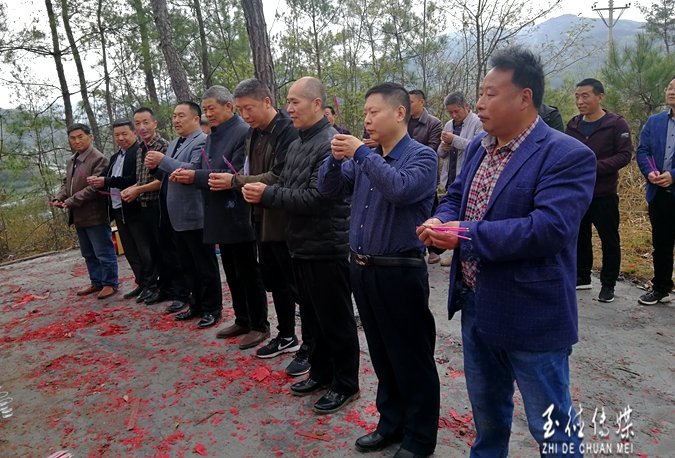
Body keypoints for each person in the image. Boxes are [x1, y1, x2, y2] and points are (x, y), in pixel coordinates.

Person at [418, 46, 596, 457]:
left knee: (550, 425)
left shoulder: (566, 155)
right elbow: (456, 196)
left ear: (524, 97)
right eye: (480, 93)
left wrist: (464, 235)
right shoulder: (479, 147)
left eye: (490, 94)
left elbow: (548, 229)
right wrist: (441, 219)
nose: (480, 103)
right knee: (488, 416)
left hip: (531, 314)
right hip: (477, 305)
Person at [319, 82, 440, 458]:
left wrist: (360, 152)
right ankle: (391, 423)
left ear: (400, 113)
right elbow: (328, 189)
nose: (367, 119)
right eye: (365, 113)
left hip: (399, 271)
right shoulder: (367, 156)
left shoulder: (422, 156)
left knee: (411, 355)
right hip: (362, 268)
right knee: (382, 353)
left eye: (374, 112)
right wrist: (335, 158)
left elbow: (399, 190)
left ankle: (420, 437)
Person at [242, 76, 360, 414]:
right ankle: (321, 373)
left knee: (336, 320)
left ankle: (346, 384)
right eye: (288, 102)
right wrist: (264, 190)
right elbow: (286, 183)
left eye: (295, 102)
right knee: (312, 316)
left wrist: (268, 195)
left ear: (317, 105)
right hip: (300, 244)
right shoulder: (297, 143)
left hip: (326, 245)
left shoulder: (329, 143)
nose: (289, 108)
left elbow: (317, 198)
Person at [208, 78, 309, 374]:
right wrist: (240, 179)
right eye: (240, 109)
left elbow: (280, 176)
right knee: (276, 282)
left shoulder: (287, 131)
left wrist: (235, 181)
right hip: (261, 218)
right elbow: (252, 170)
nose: (245, 115)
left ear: (267, 101)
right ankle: (286, 335)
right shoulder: (254, 133)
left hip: (284, 220)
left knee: (298, 287)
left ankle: (311, 346)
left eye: (248, 108)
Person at [172, 85, 270, 342]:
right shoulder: (213, 134)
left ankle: (259, 324)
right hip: (217, 211)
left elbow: (236, 173)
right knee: (232, 272)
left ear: (228, 106)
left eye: (211, 109)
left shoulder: (242, 132)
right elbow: (207, 166)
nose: (208, 114)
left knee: (248, 272)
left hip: (238, 211)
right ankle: (242, 319)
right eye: (205, 110)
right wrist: (192, 173)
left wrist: (195, 176)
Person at [145, 102, 222, 329]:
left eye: (181, 116)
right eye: (174, 116)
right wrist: (155, 166)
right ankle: (195, 304)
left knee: (204, 265)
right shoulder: (174, 143)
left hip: (195, 214)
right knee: (187, 265)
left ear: (196, 119)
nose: (176, 120)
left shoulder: (202, 141)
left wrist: (162, 160)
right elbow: (167, 174)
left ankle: (212, 308)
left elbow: (193, 169)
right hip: (176, 215)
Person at [566, 78, 633, 302]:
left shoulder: (616, 124)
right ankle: (582, 276)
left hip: (604, 194)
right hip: (578, 193)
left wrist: (593, 167)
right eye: (577, 96)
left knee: (609, 240)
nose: (580, 101)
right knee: (579, 236)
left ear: (600, 97)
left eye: (585, 96)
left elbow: (624, 155)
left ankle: (608, 284)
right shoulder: (573, 125)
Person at [87, 119, 157, 301]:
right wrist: (98, 180)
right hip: (118, 209)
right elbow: (107, 177)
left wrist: (107, 181)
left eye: (124, 134)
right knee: (130, 251)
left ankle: (152, 284)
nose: (120, 138)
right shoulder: (115, 157)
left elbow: (133, 179)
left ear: (134, 133)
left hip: (135, 208)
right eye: (117, 135)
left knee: (144, 250)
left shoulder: (138, 153)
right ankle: (141, 283)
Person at [51, 123, 118, 300]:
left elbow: (94, 188)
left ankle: (110, 283)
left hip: (95, 214)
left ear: (90, 137)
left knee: (103, 251)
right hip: (79, 215)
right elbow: (66, 183)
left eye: (80, 136)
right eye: (73, 138)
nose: (77, 141)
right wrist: (60, 197)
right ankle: (96, 281)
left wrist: (71, 201)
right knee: (88, 253)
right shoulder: (72, 160)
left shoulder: (98, 159)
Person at [635, 76, 675, 305]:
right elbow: (643, 151)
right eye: (669, 87)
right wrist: (650, 173)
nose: (671, 92)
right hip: (658, 193)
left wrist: (673, 176)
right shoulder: (655, 121)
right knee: (661, 244)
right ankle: (661, 288)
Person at [438, 91, 483, 193]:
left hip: (467, 180)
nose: (453, 115)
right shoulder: (449, 124)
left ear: (466, 106)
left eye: (456, 111)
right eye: (450, 112)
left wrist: (453, 139)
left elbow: (478, 148)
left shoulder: (478, 122)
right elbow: (440, 154)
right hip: (447, 181)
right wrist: (443, 147)